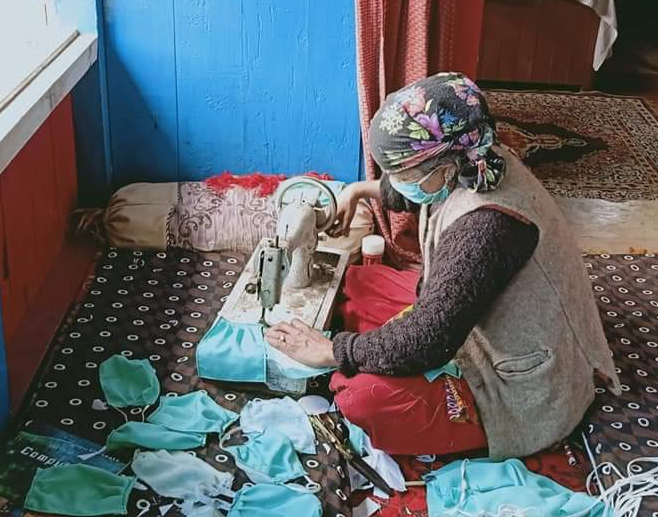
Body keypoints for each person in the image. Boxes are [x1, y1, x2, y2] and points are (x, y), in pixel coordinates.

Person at [265, 72, 619, 459]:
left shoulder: (486, 227)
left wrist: (333, 350)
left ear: (444, 166)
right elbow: (422, 191)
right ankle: (375, 348)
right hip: (479, 322)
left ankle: (487, 418)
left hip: (519, 380)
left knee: (360, 398)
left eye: (401, 173)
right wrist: (359, 192)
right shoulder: (476, 153)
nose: (395, 182)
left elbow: (428, 341)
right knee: (360, 283)